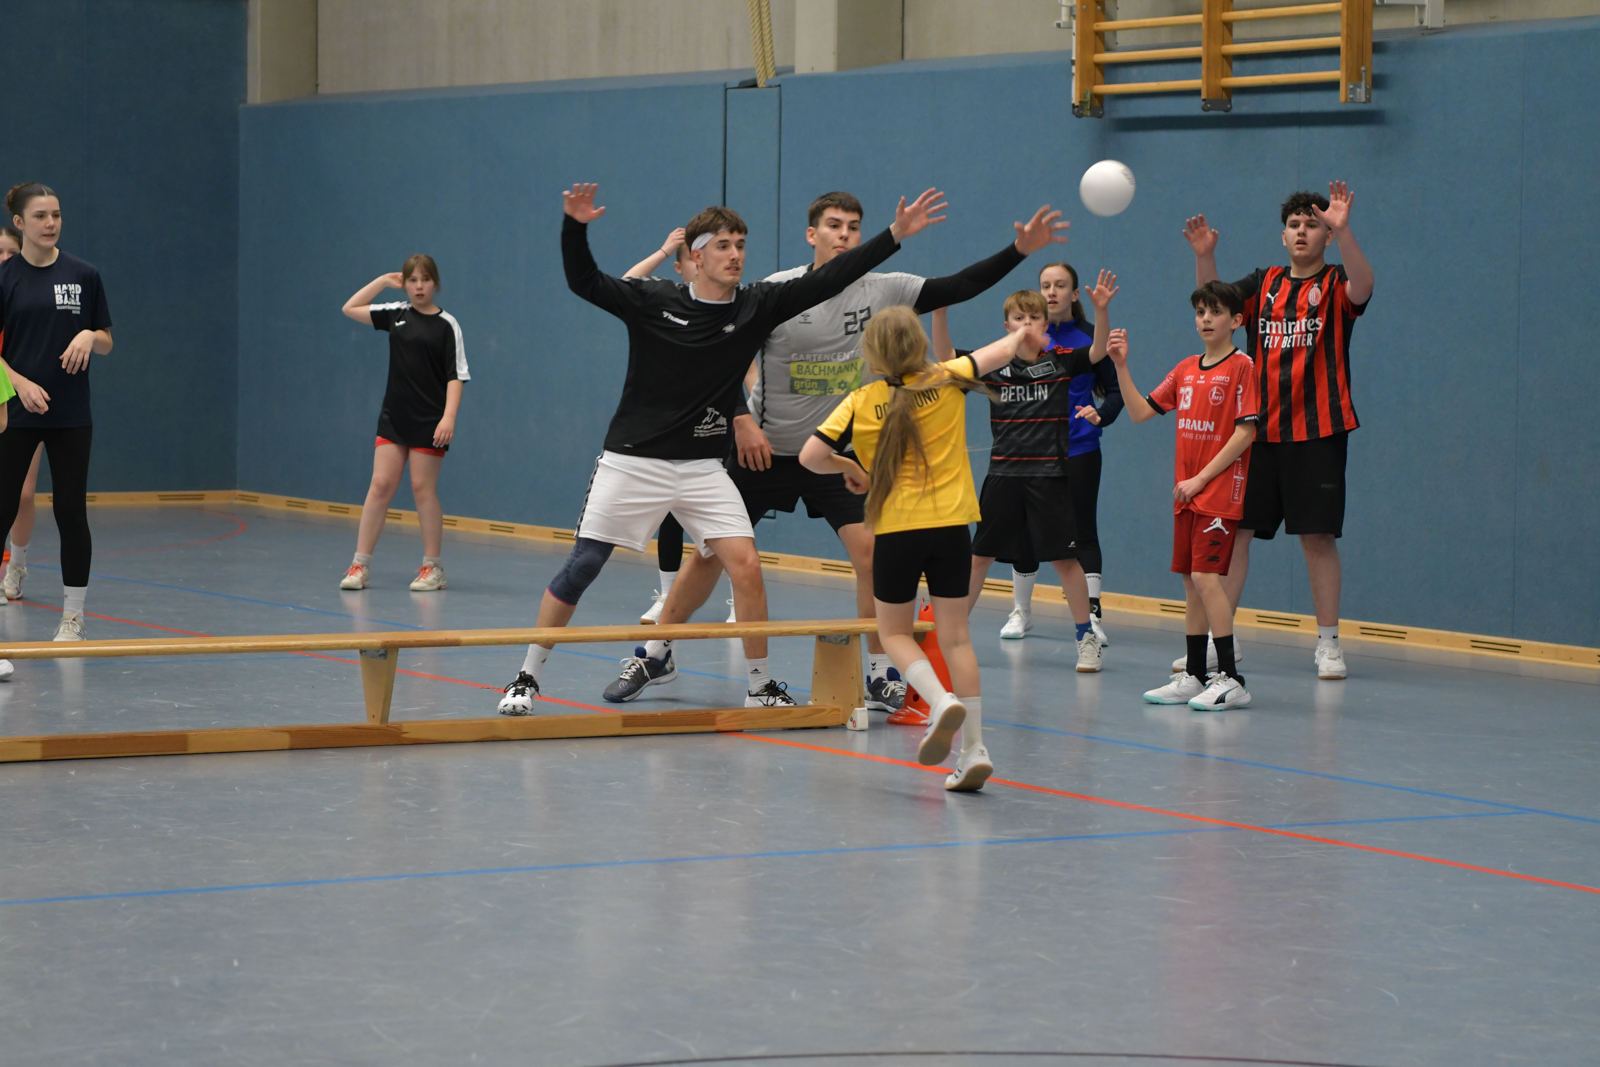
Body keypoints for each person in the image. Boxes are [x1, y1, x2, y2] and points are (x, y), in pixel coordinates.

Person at [496, 182, 946, 716]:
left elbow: (831, 277)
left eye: (741, 245)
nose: (735, 255)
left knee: (746, 566)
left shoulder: (757, 305)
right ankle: (526, 677)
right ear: (696, 256)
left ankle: (760, 687)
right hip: (633, 461)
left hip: (703, 468)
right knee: (585, 564)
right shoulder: (654, 300)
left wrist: (894, 234)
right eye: (724, 246)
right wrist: (575, 225)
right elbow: (584, 281)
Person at [645, 190, 1070, 721]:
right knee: (710, 553)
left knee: (870, 553)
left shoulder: (886, 289)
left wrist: (1019, 250)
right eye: (833, 225)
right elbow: (724, 354)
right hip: (767, 450)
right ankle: (657, 651)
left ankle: (880, 672)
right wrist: (741, 418)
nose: (844, 234)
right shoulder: (780, 290)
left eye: (852, 226)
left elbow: (959, 286)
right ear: (812, 234)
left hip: (835, 455)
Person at [800, 306, 1051, 791]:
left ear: (874, 354)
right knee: (956, 638)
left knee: (894, 632)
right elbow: (1003, 350)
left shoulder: (860, 401)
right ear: (918, 345)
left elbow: (811, 456)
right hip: (952, 527)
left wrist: (851, 468)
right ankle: (974, 749)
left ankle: (938, 702)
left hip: (898, 531)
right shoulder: (949, 377)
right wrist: (1025, 332)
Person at [1182, 183, 1373, 680]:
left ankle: (1328, 644)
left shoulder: (1336, 281)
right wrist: (1205, 257)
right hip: (1256, 434)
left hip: (1319, 432)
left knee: (1316, 537)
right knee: (1236, 534)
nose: (1302, 232)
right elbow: (1216, 308)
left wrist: (1344, 229)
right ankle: (1221, 640)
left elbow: (1363, 286)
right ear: (1283, 235)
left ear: (1325, 235)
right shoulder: (1263, 283)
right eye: (1294, 225)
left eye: (1313, 225)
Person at [932, 276, 1116, 672]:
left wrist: (1101, 311)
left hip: (1049, 476)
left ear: (1045, 325)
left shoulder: (1062, 360)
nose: (1027, 324)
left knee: (1065, 561)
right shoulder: (991, 365)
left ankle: (1086, 638)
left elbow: (1098, 352)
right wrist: (940, 311)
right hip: (1003, 475)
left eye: (1034, 318)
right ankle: (950, 637)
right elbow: (946, 356)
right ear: (1007, 326)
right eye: (1019, 318)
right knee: (978, 557)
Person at [1105, 281, 1260, 710]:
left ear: (1236, 320)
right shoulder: (1186, 368)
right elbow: (1140, 411)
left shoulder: (1242, 367)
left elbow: (1245, 432)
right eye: (1200, 312)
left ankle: (1230, 678)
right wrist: (1121, 366)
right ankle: (1194, 674)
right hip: (1186, 494)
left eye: (1216, 312)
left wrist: (1201, 479)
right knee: (1192, 583)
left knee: (1208, 579)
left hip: (1217, 493)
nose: (1206, 319)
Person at [0, 182, 106, 642]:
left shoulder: (84, 274)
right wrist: (19, 384)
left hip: (71, 415)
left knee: (70, 511)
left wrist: (90, 336)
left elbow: (106, 339)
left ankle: (73, 618)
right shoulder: (5, 278)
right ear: (19, 223)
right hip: (16, 414)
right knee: (4, 506)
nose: (50, 223)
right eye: (40, 216)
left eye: (56, 215)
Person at [1000, 261, 1123, 646]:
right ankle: (1021, 611)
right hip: (1033, 451)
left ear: (1073, 293)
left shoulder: (1088, 336)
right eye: (1045, 285)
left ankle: (1092, 614)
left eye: (1060, 285)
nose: (1052, 292)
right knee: (1025, 530)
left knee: (1082, 530)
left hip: (1080, 448)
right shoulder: (1025, 337)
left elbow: (1115, 392)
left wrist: (1100, 415)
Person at [338, 255, 468, 592]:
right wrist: (383, 281)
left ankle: (433, 568)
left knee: (422, 489)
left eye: (425, 279)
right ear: (405, 284)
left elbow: (456, 376)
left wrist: (448, 417)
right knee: (380, 485)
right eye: (412, 280)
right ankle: (360, 566)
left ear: (435, 283)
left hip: (430, 421)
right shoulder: (395, 313)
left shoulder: (447, 325)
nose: (419, 286)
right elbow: (350, 308)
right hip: (394, 418)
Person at [0, 224, 41, 601]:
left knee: (24, 494)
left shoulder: (30, 294)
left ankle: (17, 564)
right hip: (8, 386)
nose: (4, 259)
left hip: (25, 399)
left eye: (10, 253)